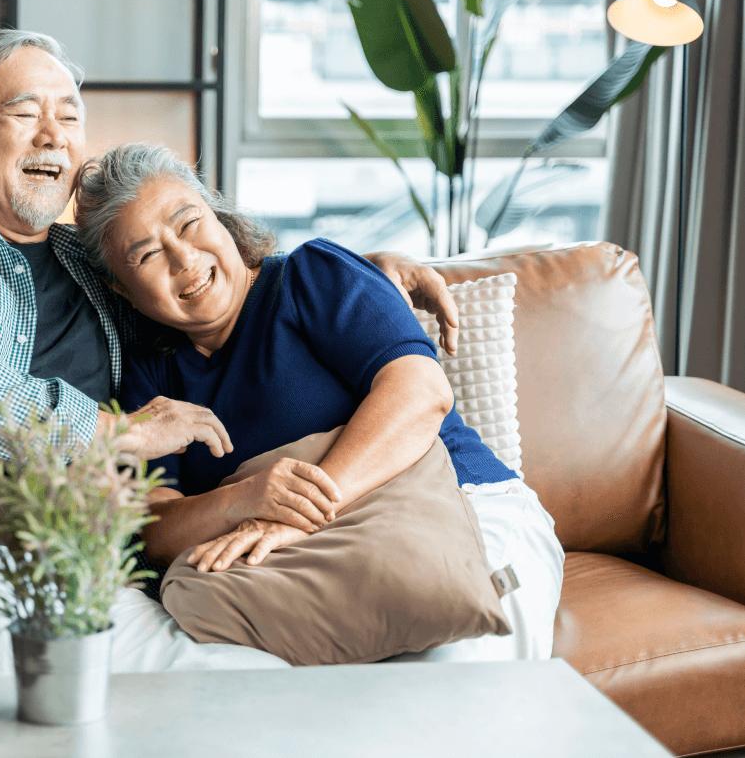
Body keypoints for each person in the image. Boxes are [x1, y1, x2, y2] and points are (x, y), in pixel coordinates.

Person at [0, 30, 460, 757]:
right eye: (25, 112)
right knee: (10, 668)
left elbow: (210, 272)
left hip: (72, 561)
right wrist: (119, 435)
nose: (56, 135)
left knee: (235, 683)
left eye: (70, 116)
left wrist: (361, 271)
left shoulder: (98, 267)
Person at [74, 142, 565, 661]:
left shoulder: (312, 276)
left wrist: (297, 512)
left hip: (460, 509)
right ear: (123, 290)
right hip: (302, 561)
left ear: (220, 219)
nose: (183, 258)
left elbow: (420, 392)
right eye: (147, 254)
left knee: (446, 671)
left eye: (189, 223)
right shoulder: (152, 378)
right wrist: (245, 500)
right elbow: (155, 530)